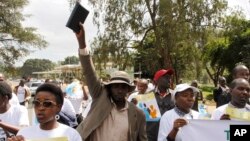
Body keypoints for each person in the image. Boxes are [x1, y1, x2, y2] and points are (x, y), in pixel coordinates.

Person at [75, 23, 147, 141]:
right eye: (116, 86)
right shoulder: (100, 97)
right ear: (109, 88)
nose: (119, 90)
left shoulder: (138, 114)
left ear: (128, 90)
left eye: (123, 87)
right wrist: (82, 43)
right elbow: (89, 71)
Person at [8, 83, 82, 141]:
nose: (41, 108)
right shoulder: (24, 134)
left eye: (47, 104)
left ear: (58, 107)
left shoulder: (71, 135)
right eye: (36, 103)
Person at [146, 69, 175, 141]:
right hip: (151, 136)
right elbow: (146, 118)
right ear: (157, 80)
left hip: (168, 135)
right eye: (166, 78)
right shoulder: (148, 95)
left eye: (170, 78)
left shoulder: (175, 96)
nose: (169, 80)